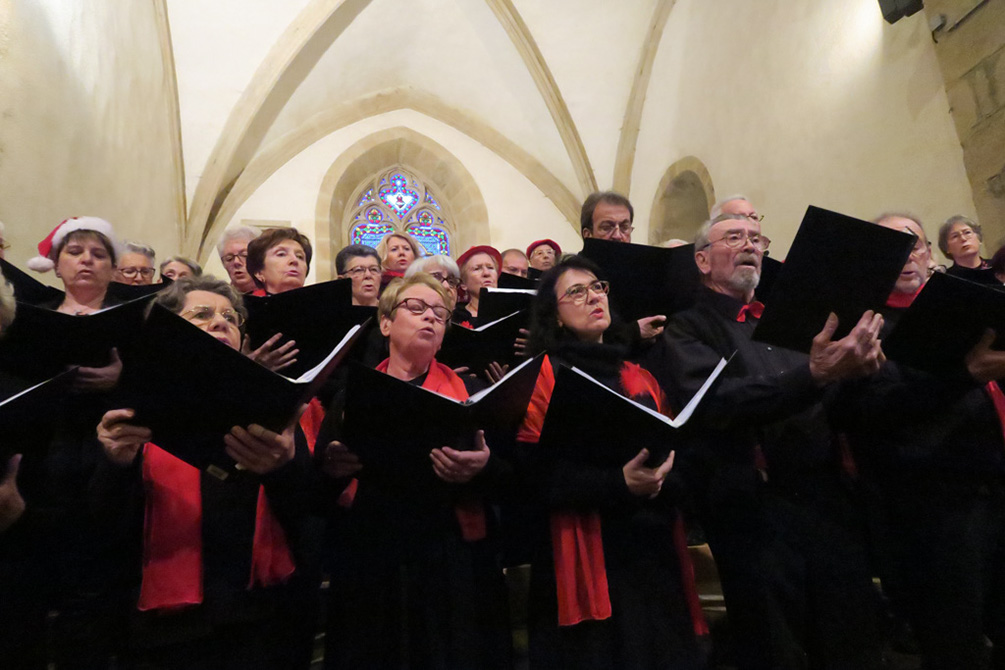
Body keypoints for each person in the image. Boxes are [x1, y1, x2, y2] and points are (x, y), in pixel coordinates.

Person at [645, 212, 888, 670]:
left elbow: (828, 405)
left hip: (822, 498)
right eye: (734, 237)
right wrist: (813, 374)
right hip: (752, 508)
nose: (749, 245)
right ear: (702, 259)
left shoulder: (790, 321)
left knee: (850, 629)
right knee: (774, 640)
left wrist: (856, 374)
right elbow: (714, 402)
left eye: (756, 238)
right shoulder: (688, 328)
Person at [95, 275, 314, 669]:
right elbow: (99, 530)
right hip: (164, 627)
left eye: (231, 317)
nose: (221, 322)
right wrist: (115, 464)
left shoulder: (271, 404)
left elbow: (309, 518)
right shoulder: (131, 406)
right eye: (202, 314)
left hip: (256, 616)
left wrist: (282, 470)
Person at [831, 212, 1005, 670]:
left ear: (931, 254)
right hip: (929, 511)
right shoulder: (862, 328)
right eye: (893, 248)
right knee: (955, 644)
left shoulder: (969, 306)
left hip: (992, 487)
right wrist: (964, 375)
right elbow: (872, 413)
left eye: (916, 245)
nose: (908, 257)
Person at [515, 255, 705, 669]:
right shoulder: (542, 377)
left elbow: (680, 456)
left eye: (598, 287)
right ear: (557, 317)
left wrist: (661, 476)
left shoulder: (640, 375)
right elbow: (532, 479)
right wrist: (619, 483)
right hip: (586, 551)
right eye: (577, 292)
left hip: (652, 549)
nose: (593, 297)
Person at [316, 274, 512, 669]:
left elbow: (512, 477)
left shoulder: (472, 391)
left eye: (440, 315)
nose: (430, 319)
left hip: (451, 557)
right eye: (417, 308)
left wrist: (483, 467)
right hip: (372, 557)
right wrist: (332, 470)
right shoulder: (351, 395)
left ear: (443, 337)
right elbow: (317, 487)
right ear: (386, 323)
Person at [246, 227, 312, 296]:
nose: (294, 260)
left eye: (300, 257)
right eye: (281, 254)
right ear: (259, 273)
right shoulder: (244, 306)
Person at [937, 215, 997, 285]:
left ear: (979, 239)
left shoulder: (999, 268)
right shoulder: (945, 280)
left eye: (967, 232)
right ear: (946, 248)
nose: (963, 238)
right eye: (955, 236)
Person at [453, 244, 502, 327]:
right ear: (463, 284)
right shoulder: (455, 318)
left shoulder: (513, 312)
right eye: (477, 268)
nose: (486, 273)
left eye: (490, 267)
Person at [217, 225, 261, 293]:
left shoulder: (277, 296)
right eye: (229, 258)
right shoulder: (220, 298)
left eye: (244, 255)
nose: (236, 262)